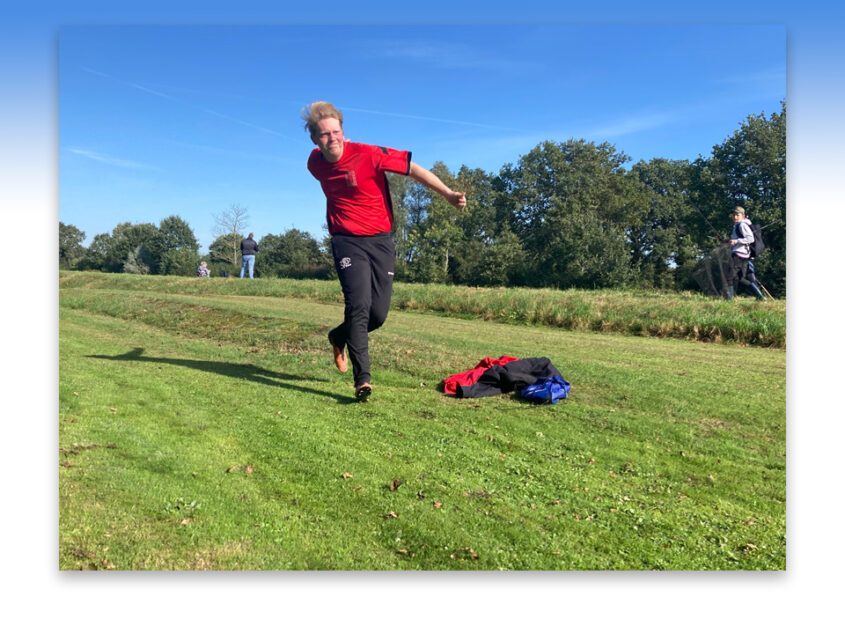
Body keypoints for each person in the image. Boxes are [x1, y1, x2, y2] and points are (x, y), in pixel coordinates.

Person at [303, 100, 467, 402]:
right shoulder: (315, 163)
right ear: (314, 139)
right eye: (324, 134)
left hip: (380, 239)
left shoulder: (368, 153)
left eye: (336, 131)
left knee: (377, 316)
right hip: (346, 240)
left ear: (344, 132)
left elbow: (412, 169)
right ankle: (362, 380)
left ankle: (338, 336)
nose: (332, 139)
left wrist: (447, 194)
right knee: (359, 306)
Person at [727, 206, 766, 301]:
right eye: (733, 215)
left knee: (729, 277)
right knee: (741, 279)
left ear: (743, 216)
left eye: (737, 215)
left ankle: (728, 301)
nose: (735, 217)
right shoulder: (738, 225)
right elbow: (739, 239)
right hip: (743, 256)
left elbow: (750, 239)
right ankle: (760, 297)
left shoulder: (742, 225)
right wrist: (728, 241)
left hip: (739, 255)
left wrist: (736, 242)